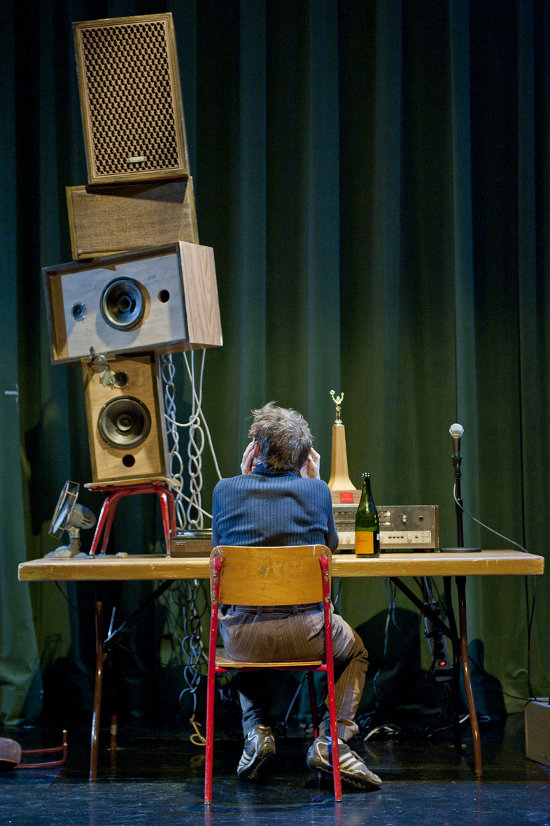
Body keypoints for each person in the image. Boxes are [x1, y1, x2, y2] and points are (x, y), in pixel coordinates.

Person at [211, 402, 382, 790]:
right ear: (305, 458)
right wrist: (314, 482)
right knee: (355, 650)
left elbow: (219, 553)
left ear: (254, 449)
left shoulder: (224, 490)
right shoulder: (316, 491)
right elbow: (331, 548)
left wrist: (242, 479)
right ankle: (331, 740)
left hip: (241, 641)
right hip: (309, 632)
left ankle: (257, 732)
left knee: (247, 634)